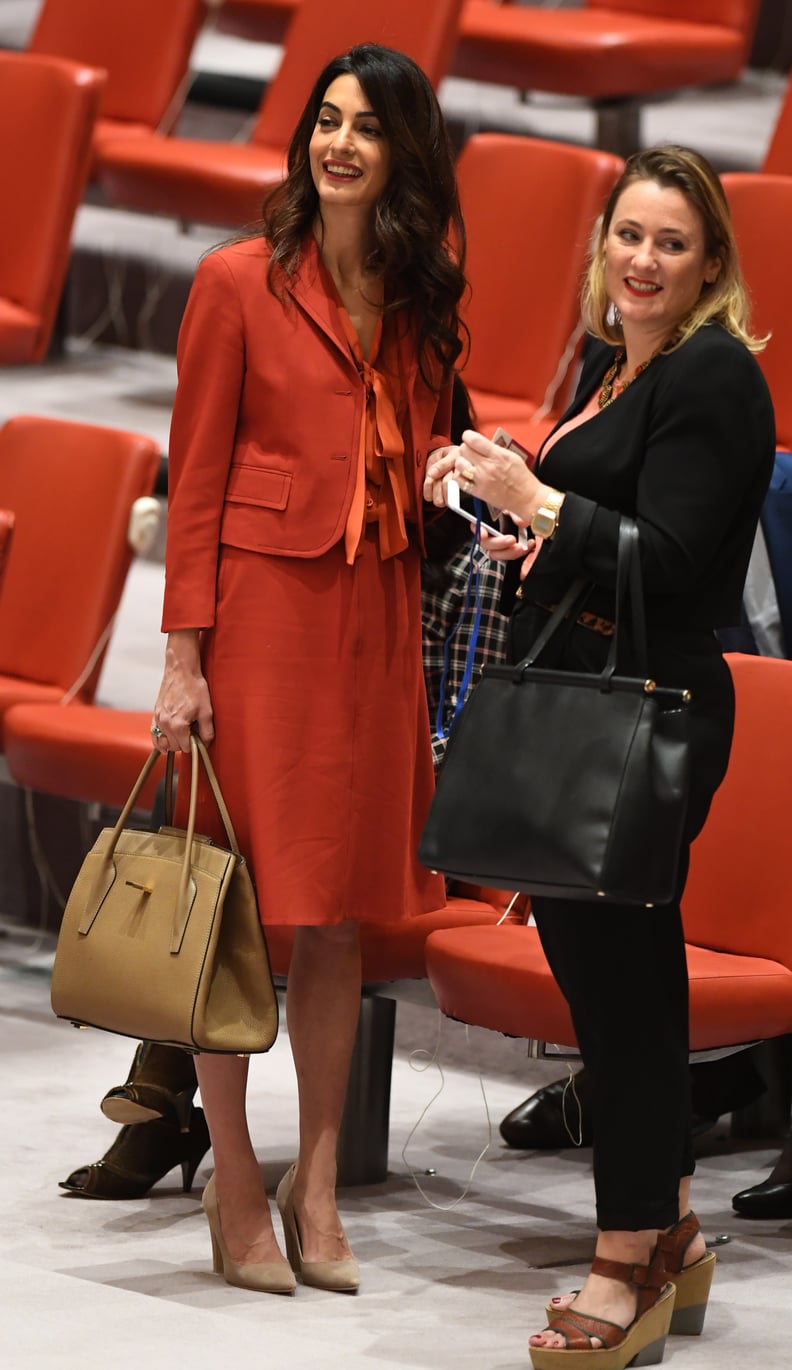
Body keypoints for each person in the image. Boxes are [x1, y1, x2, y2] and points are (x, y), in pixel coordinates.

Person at [424, 145, 775, 1367]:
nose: (644, 259)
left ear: (711, 264)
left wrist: (544, 501)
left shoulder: (717, 373)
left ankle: (625, 1256)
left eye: (672, 243)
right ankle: (666, 1224)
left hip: (655, 703)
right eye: (629, 234)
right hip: (593, 687)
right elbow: (598, 531)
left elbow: (679, 562)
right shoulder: (623, 362)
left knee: (625, 998)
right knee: (615, 984)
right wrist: (506, 501)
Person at [143, 43, 465, 1294]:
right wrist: (182, 658)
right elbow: (196, 482)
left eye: (365, 128)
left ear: (403, 155)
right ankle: (232, 1174)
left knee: (337, 917)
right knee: (234, 910)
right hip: (259, 623)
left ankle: (316, 1180)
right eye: (324, 121)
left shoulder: (425, 297)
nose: (337, 143)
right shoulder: (234, 283)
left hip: (375, 623)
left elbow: (431, 460)